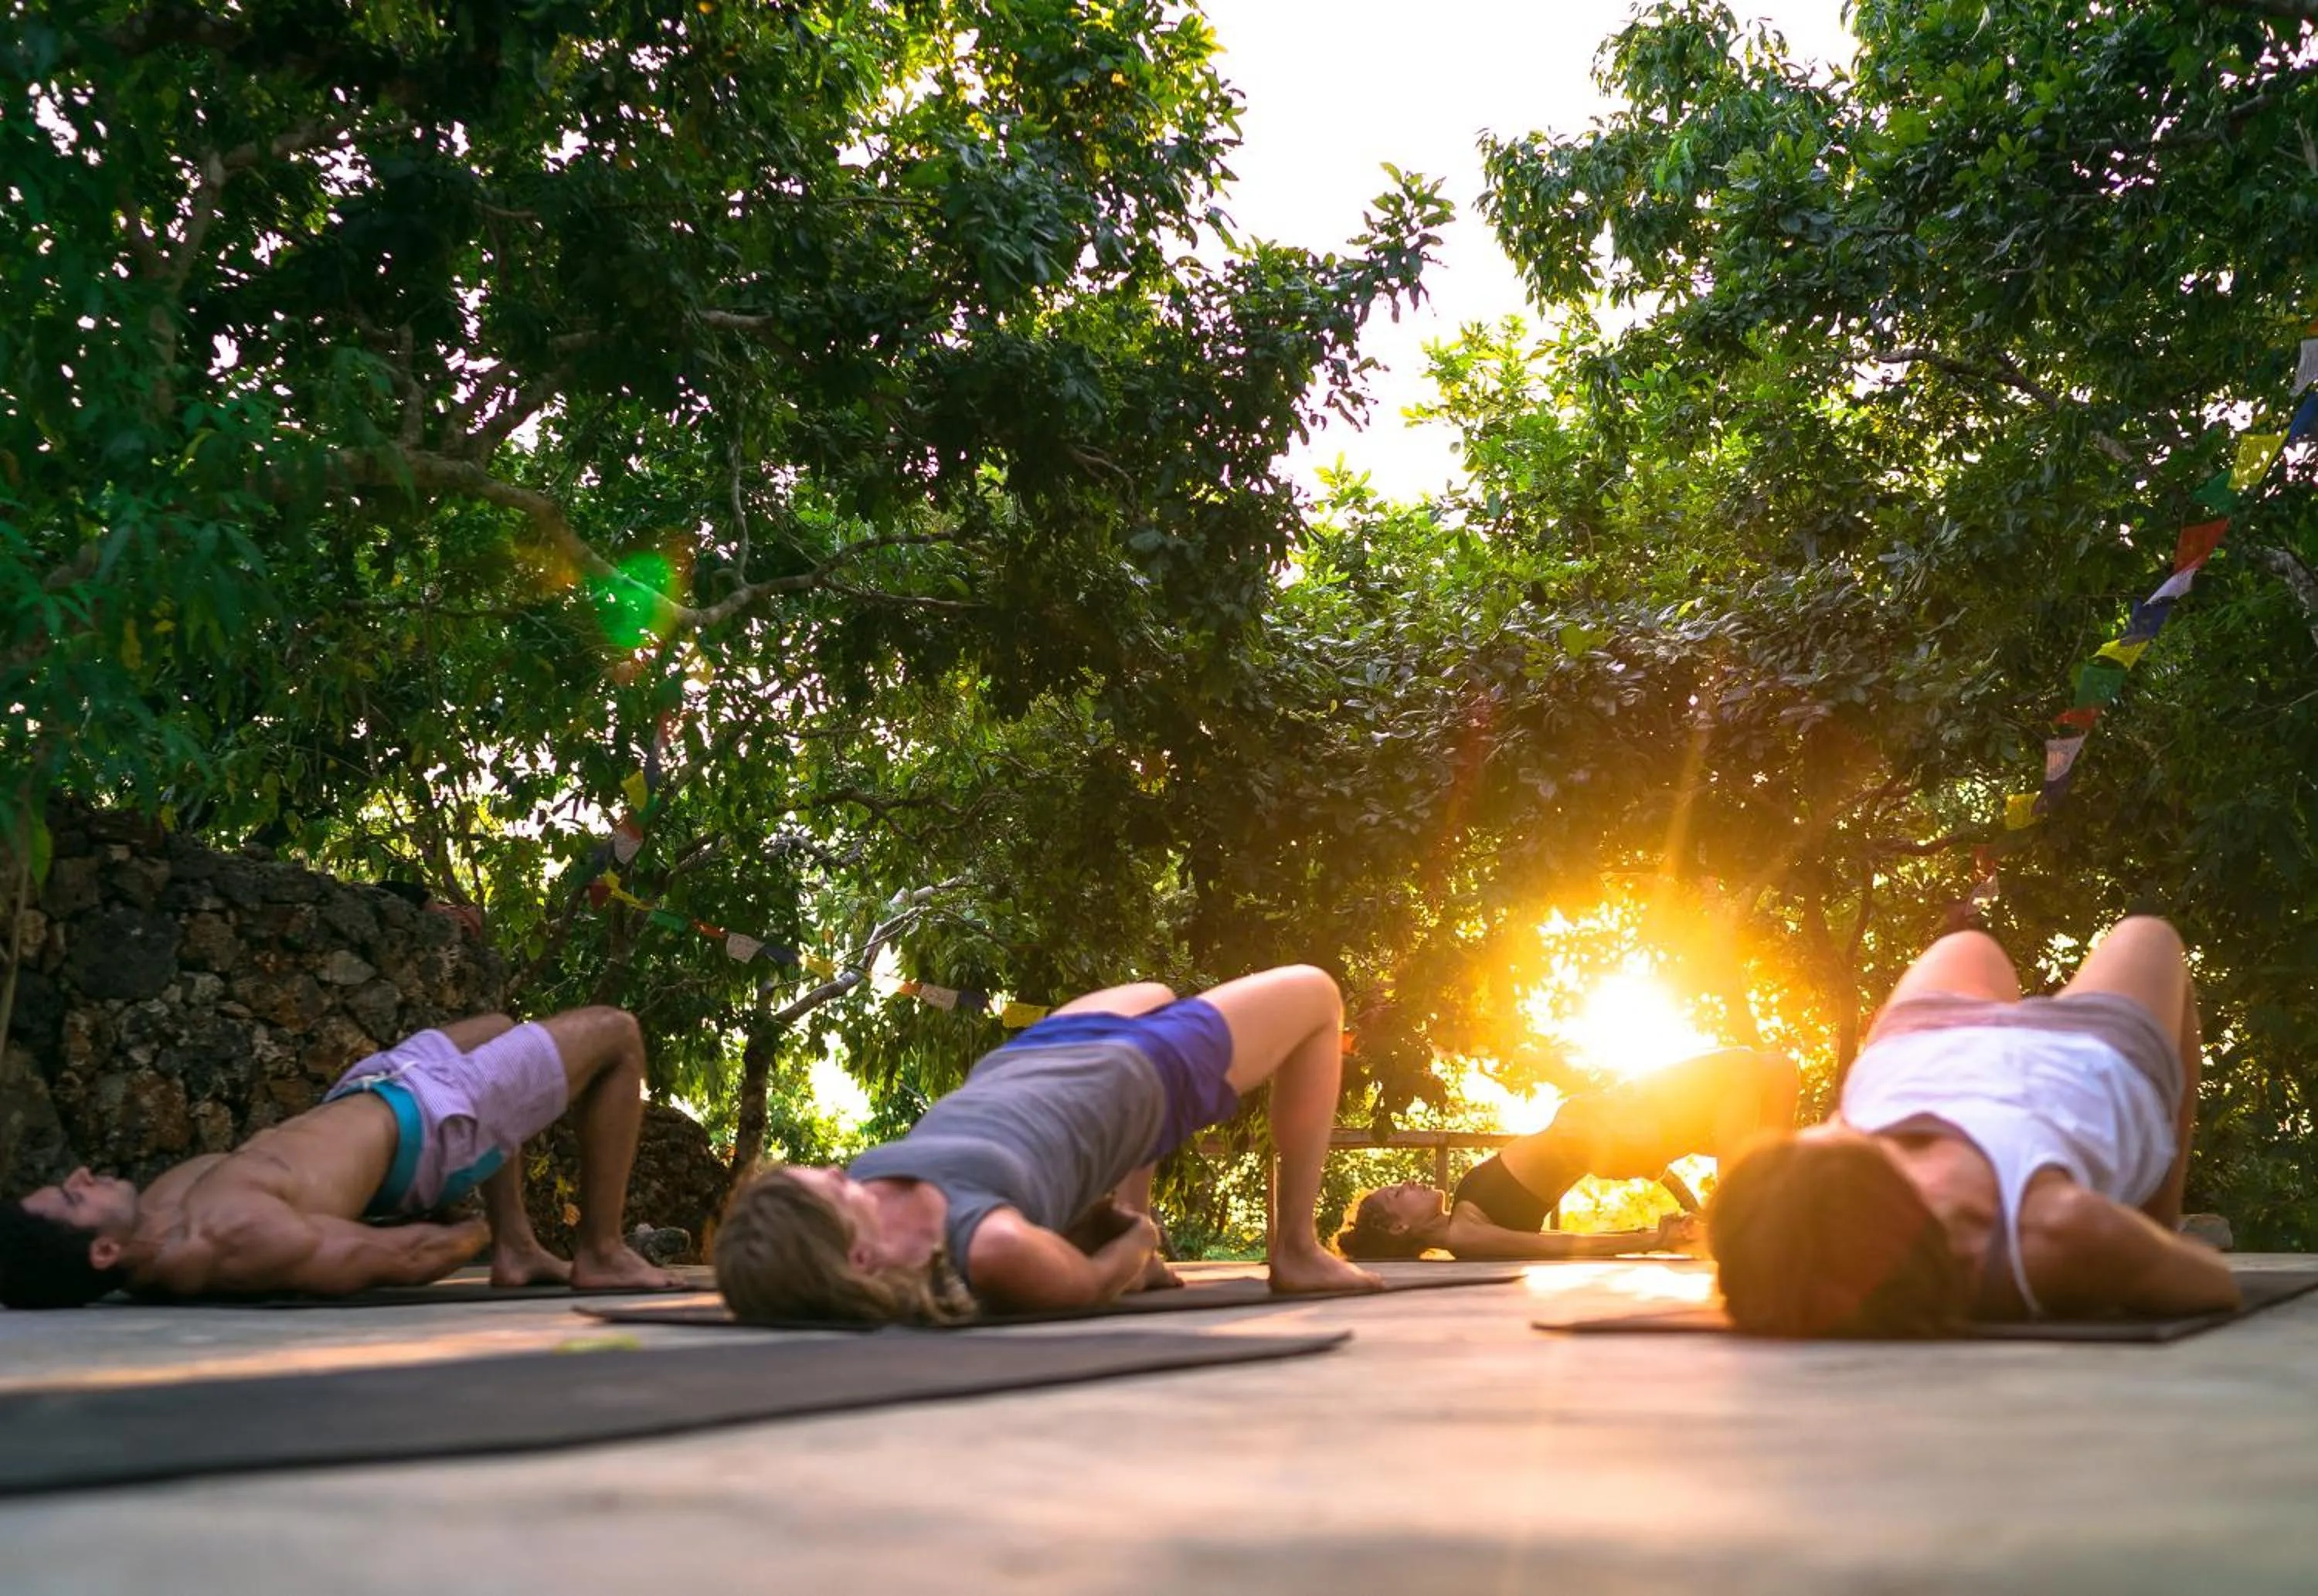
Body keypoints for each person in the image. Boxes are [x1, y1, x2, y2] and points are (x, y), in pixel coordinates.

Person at [714, 965, 1383, 1323]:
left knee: (1155, 990)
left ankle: (1155, 1194)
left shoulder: (873, 1187)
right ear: (858, 1256)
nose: (836, 1169)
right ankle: (1296, 1249)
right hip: (1135, 1073)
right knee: (1319, 995)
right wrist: (1139, 1239)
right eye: (827, 1187)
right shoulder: (993, 1246)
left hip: (1030, 1057)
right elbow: (1092, 1278)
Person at [1708, 915, 2239, 1336]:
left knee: (1968, 944)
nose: (1829, 1128)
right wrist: (2146, 1248)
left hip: (1926, 1051)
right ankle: (2158, 1213)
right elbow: (2215, 1286)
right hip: (2082, 1056)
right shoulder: (2063, 1232)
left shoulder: (1806, 1220)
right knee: (2148, 935)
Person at [0, 1008, 681, 1308]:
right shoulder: (229, 1239)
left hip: (369, 1090)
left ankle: (520, 1248)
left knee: (500, 1027)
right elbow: (399, 1258)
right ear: (101, 1254)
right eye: (71, 1197)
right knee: (618, 1035)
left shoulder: (152, 1220)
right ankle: (601, 1251)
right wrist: (463, 1227)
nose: (80, 1176)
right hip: (432, 1124)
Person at [1334, 1047, 1798, 1261]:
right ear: (1400, 1227)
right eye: (1399, 1193)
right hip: (1609, 1132)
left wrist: (1677, 1197)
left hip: (1617, 1132)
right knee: (1743, 1070)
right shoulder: (1466, 1235)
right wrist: (1648, 1239)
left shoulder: (1465, 1213)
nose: (1410, 1183)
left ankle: (1765, 1214)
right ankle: (1749, 1224)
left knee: (1778, 1071)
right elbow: (1552, 1246)